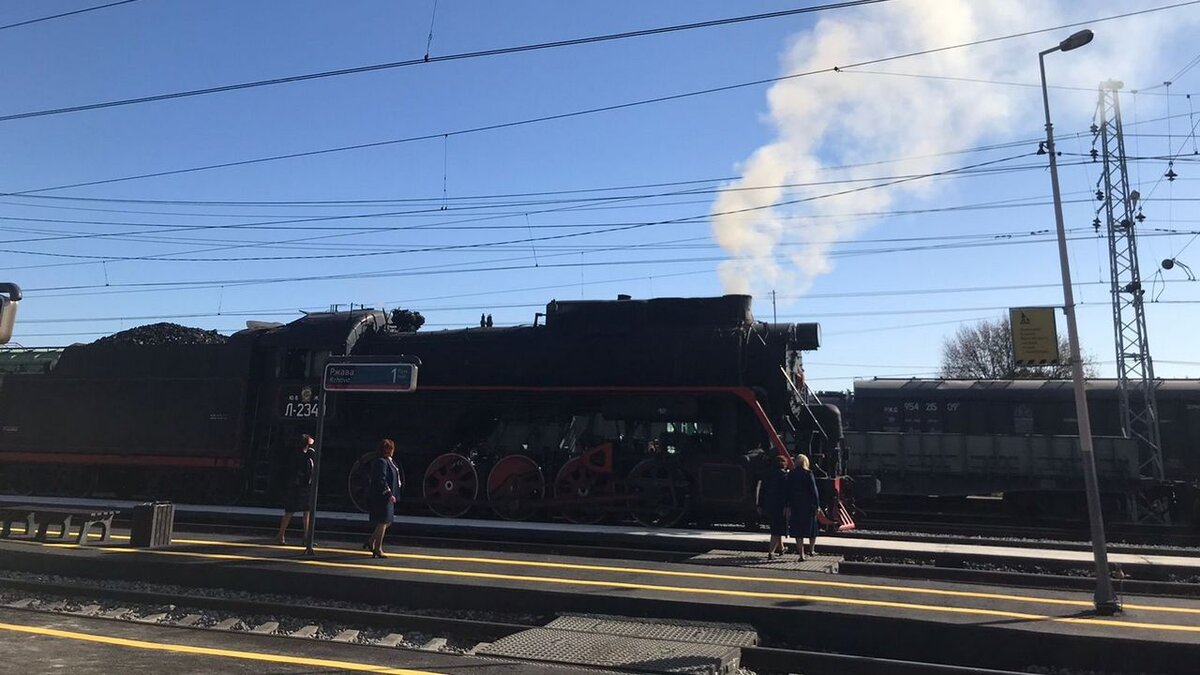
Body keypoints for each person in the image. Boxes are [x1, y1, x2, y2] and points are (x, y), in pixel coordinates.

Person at [276, 434, 315, 545]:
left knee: (307, 511)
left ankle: (307, 537)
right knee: (290, 510)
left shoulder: (309, 454)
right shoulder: (300, 455)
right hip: (297, 486)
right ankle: (281, 534)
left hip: (306, 486)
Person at [366, 438, 401, 558]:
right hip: (382, 496)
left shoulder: (389, 461)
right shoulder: (381, 462)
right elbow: (381, 479)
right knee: (383, 521)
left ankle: (371, 541)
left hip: (387, 496)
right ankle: (378, 548)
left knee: (387, 521)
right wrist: (389, 493)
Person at [757, 454, 791, 559]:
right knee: (777, 530)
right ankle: (771, 553)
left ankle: (781, 548)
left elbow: (762, 491)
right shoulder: (784, 476)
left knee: (776, 527)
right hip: (780, 506)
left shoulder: (767, 475)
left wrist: (759, 505)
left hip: (769, 505)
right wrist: (787, 505)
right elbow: (787, 493)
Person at [788, 453, 821, 559]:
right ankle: (811, 550)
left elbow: (787, 490)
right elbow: (814, 490)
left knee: (798, 531)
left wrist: (788, 504)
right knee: (812, 529)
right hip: (808, 505)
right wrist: (817, 505)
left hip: (796, 505)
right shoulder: (808, 473)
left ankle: (801, 554)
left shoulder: (791, 474)